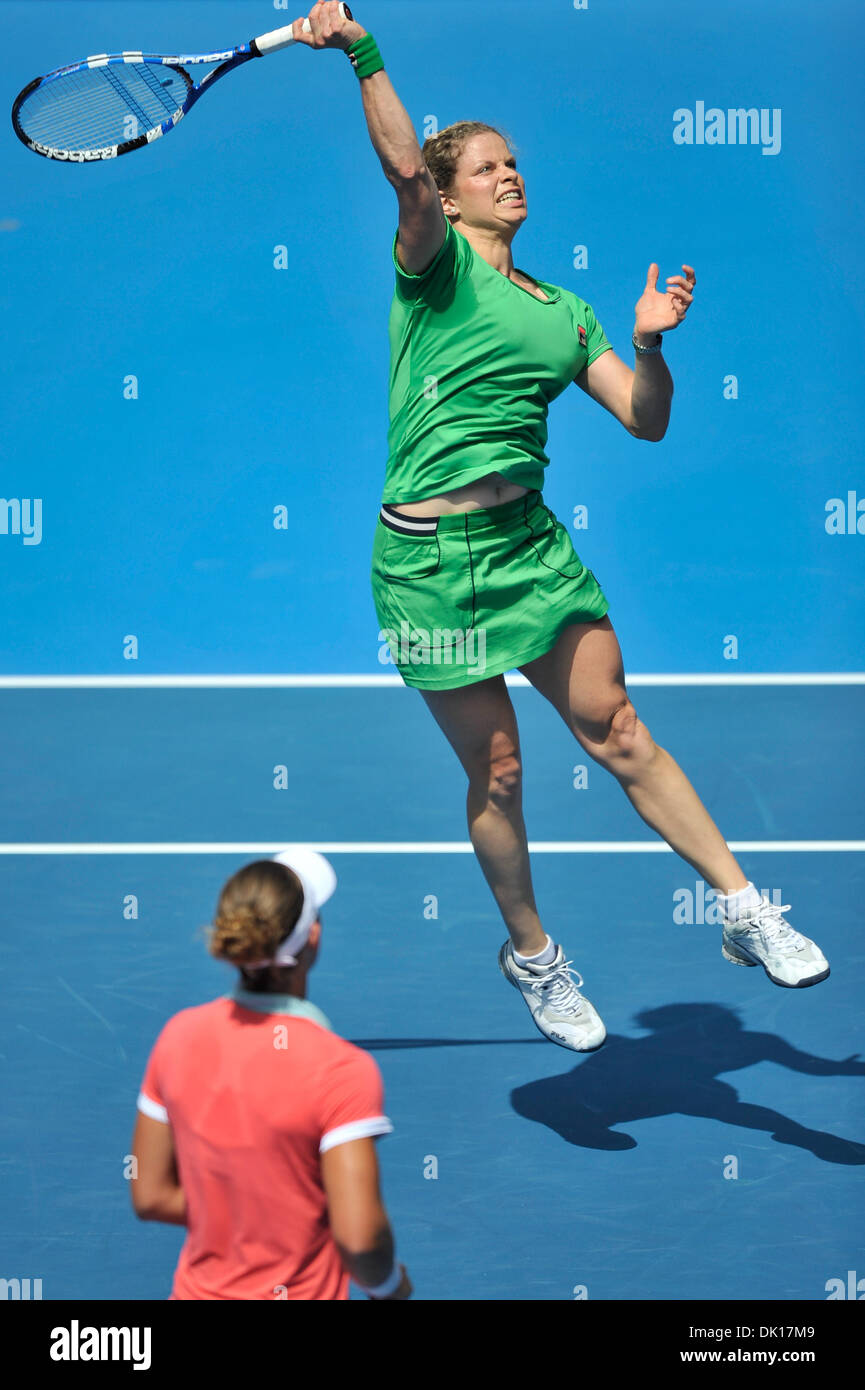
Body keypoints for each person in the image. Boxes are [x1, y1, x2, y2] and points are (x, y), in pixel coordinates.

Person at [293, 5, 830, 1053]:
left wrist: (648, 343)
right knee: (495, 771)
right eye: (487, 167)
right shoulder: (432, 267)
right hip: (426, 566)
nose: (511, 176)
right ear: (448, 196)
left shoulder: (568, 310)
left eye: (514, 164)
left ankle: (743, 909)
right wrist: (360, 51)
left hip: (529, 553)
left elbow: (643, 419)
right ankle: (533, 954)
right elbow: (403, 170)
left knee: (618, 728)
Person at [130, 848, 411, 1300]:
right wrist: (393, 1288)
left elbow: (150, 1196)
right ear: (313, 938)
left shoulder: (177, 1038)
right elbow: (359, 1241)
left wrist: (237, 1213)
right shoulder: (341, 1071)